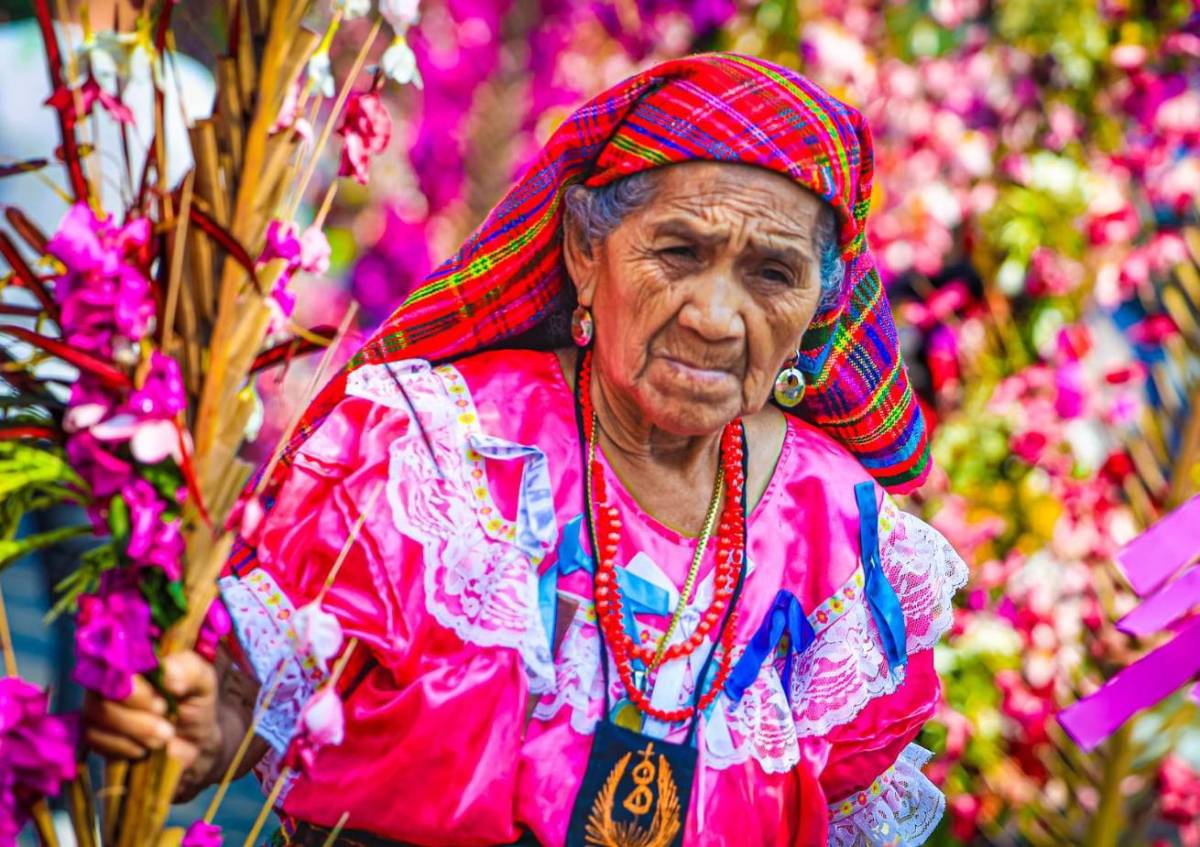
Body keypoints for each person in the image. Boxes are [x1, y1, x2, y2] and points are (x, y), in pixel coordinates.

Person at [82, 53, 968, 847]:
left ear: (821, 301)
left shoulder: (847, 547)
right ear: (588, 253)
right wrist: (197, 722)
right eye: (678, 251)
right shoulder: (427, 449)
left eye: (771, 273)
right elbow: (248, 705)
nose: (714, 315)